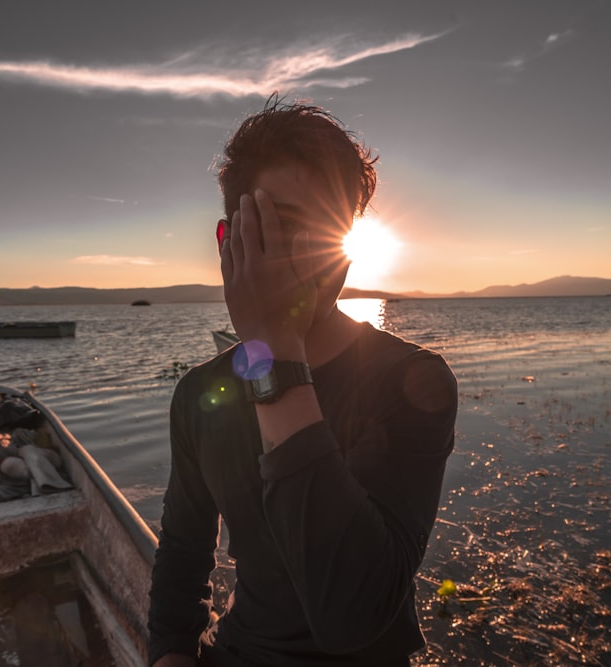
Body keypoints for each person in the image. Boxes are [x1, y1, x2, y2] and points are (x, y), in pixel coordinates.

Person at [147, 97, 458, 667]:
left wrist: (273, 355)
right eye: (285, 227)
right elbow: (183, 555)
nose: (311, 256)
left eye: (331, 228)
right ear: (229, 240)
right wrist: (170, 655)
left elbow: (354, 614)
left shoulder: (412, 382)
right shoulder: (198, 395)